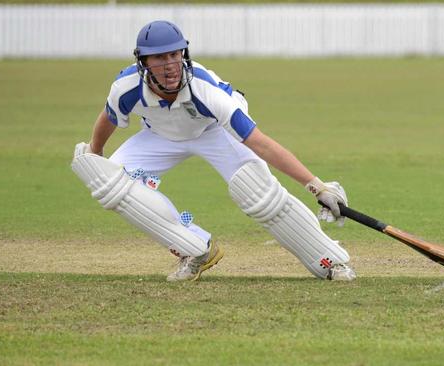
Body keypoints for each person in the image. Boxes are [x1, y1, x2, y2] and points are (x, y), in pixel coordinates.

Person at [71, 20, 356, 282]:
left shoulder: (206, 92)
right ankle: (195, 249)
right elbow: (109, 117)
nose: (170, 65)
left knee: (256, 191)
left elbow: (261, 143)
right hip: (159, 136)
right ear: (143, 61)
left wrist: (317, 187)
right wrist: (96, 153)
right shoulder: (125, 87)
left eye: (175, 54)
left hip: (215, 132)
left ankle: (331, 261)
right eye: (160, 57)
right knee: (108, 178)